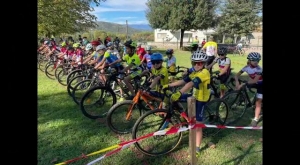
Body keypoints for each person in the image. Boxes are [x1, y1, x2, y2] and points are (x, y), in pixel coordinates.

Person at [163, 50, 210, 155]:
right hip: (193, 96)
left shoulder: (204, 73)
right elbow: (184, 81)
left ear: (204, 63)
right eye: (195, 63)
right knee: (174, 99)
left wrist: (179, 92)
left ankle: (197, 147)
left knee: (198, 125)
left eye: (200, 63)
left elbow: (190, 84)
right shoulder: (194, 71)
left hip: (201, 99)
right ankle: (184, 116)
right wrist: (169, 85)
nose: (197, 65)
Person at [235, 52, 262, 127]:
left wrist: (243, 84)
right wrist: (237, 82)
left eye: (258, 60)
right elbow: (237, 75)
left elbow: (254, 81)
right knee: (242, 88)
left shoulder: (259, 69)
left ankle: (256, 118)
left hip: (261, 84)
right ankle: (240, 101)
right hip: (254, 83)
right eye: (254, 60)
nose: (256, 62)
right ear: (249, 60)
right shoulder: (246, 67)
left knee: (258, 101)